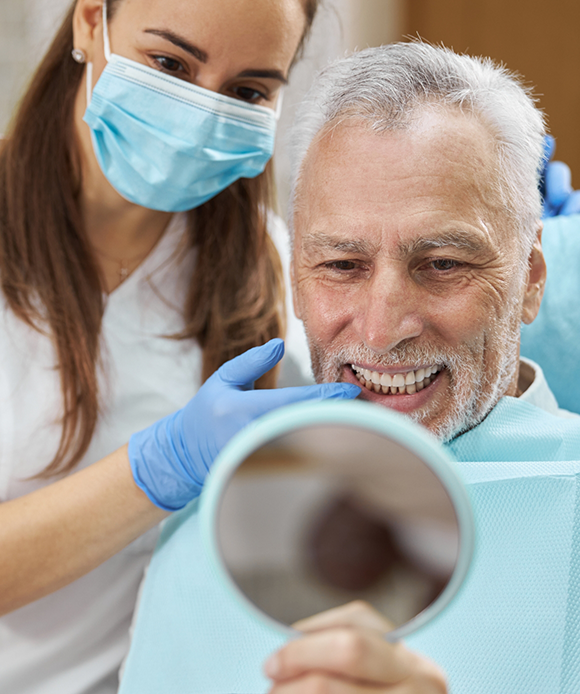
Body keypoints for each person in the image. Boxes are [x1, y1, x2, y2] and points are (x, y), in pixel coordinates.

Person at [0, 1, 373, 692]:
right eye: (170, 64)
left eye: (248, 92)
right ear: (89, 23)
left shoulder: (264, 260)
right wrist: (159, 466)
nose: (203, 114)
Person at [115, 42, 580, 694]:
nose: (382, 328)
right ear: (296, 283)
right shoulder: (214, 534)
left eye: (443, 263)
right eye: (342, 266)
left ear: (530, 278)